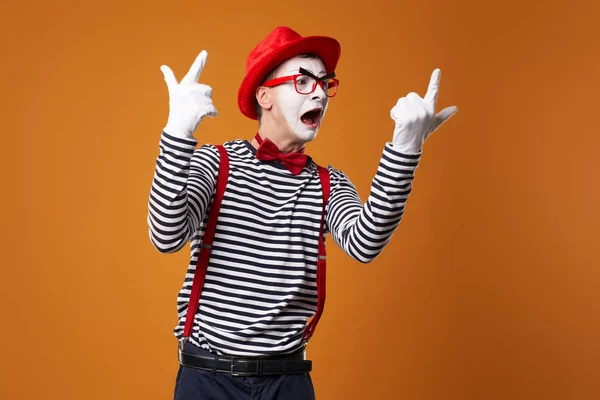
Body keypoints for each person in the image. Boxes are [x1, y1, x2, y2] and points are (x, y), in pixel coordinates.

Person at [147, 26, 457, 400]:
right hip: (208, 380)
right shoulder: (217, 163)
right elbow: (166, 235)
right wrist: (177, 133)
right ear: (265, 96)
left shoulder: (329, 184)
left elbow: (365, 242)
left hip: (288, 382)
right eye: (303, 81)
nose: (319, 93)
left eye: (324, 84)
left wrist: (406, 148)